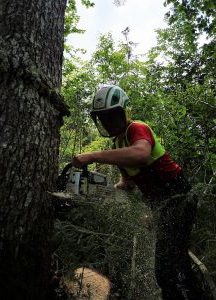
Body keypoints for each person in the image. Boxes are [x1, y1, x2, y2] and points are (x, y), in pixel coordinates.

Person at [72, 85, 203, 300]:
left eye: (112, 116)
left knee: (167, 268)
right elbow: (127, 183)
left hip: (180, 197)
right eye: (103, 118)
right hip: (163, 204)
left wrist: (93, 155)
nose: (108, 122)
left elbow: (141, 154)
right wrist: (102, 193)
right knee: (174, 262)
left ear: (124, 113)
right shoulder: (118, 143)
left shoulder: (137, 129)